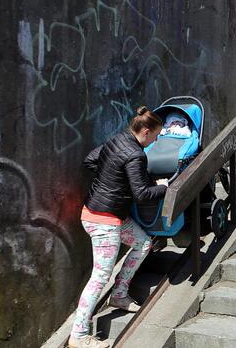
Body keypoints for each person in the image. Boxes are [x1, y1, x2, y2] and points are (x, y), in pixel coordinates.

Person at [68, 107, 168, 348]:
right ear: (145, 131)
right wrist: (164, 186)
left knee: (143, 243)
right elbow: (143, 194)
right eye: (155, 136)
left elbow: (91, 160)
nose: (155, 141)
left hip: (104, 214)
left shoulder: (118, 139)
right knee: (99, 277)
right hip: (104, 221)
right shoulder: (136, 154)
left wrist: (112, 178)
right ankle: (79, 335)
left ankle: (119, 295)